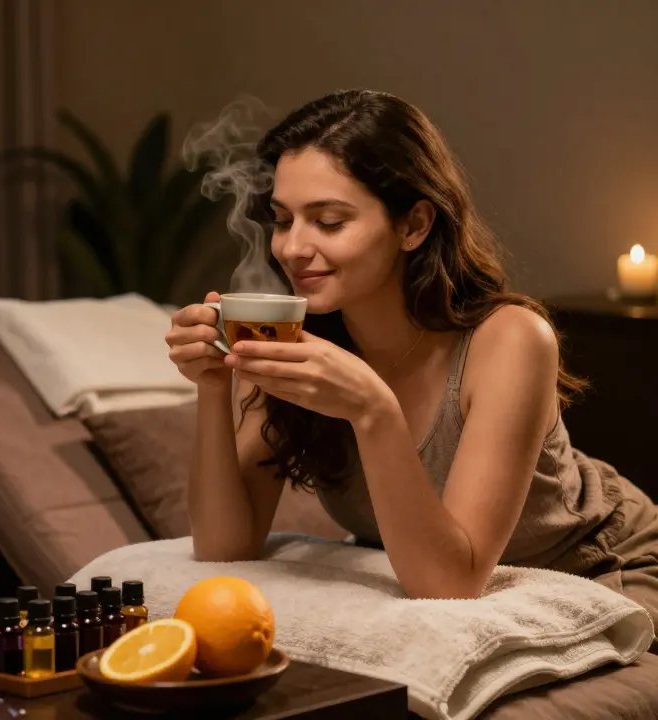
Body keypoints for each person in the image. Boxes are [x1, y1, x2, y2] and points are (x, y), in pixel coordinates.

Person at [166, 89, 658, 623]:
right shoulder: (290, 338)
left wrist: (373, 413)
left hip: (603, 570)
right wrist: (213, 387)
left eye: (329, 222)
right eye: (284, 220)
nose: (291, 247)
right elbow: (223, 548)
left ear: (414, 226)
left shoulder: (511, 340)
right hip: (440, 584)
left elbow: (451, 583)